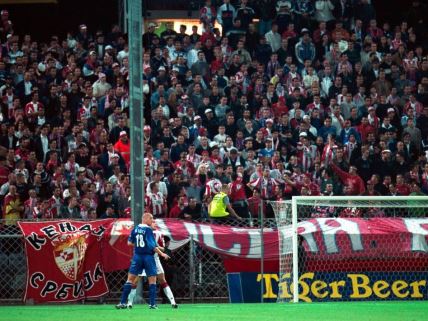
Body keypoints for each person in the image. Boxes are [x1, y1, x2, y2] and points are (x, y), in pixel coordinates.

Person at [116, 212, 170, 309]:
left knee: (130, 279)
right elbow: (153, 246)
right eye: (151, 218)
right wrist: (162, 254)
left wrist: (139, 245)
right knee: (152, 279)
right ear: (145, 219)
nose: (152, 220)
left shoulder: (135, 229)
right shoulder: (148, 230)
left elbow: (129, 243)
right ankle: (152, 304)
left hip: (137, 256)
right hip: (148, 257)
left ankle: (122, 302)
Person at [127, 221, 178, 309]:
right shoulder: (141, 231)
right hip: (143, 258)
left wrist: (157, 246)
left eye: (155, 223)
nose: (155, 224)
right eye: (153, 222)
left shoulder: (158, 233)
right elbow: (133, 243)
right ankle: (129, 303)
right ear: (148, 224)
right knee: (135, 281)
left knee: (162, 280)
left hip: (155, 259)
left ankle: (173, 302)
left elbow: (163, 248)